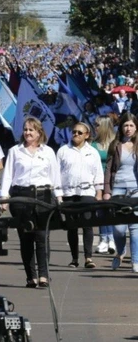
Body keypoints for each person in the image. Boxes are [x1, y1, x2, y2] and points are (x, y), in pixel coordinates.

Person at [0, 117, 63, 288]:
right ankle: (31, 276)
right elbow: (8, 176)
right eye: (25, 129)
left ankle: (44, 274)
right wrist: (4, 197)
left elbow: (55, 176)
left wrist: (59, 197)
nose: (27, 133)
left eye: (31, 130)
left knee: (42, 236)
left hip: (44, 196)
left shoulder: (48, 151)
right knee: (26, 237)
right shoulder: (15, 151)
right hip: (21, 196)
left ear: (39, 132)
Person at [57, 122, 101, 269]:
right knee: (72, 227)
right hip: (69, 193)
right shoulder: (63, 150)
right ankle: (74, 258)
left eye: (79, 133)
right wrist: (58, 194)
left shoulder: (92, 152)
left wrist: (99, 192)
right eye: (74, 132)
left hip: (87, 192)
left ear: (87, 135)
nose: (76, 135)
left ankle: (88, 257)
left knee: (87, 225)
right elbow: (56, 173)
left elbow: (98, 173)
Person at [102, 113, 138, 272]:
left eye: (131, 125)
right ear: (121, 127)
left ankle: (136, 261)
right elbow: (109, 169)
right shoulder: (115, 145)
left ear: (136, 127)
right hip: (118, 189)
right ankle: (121, 251)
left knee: (136, 228)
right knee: (118, 229)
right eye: (125, 125)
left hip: (136, 189)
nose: (128, 129)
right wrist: (106, 191)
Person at [93, 116, 117, 254]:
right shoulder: (93, 144)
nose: (95, 127)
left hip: (112, 180)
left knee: (111, 210)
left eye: (97, 124)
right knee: (100, 210)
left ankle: (112, 238)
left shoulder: (115, 143)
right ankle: (103, 239)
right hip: (98, 181)